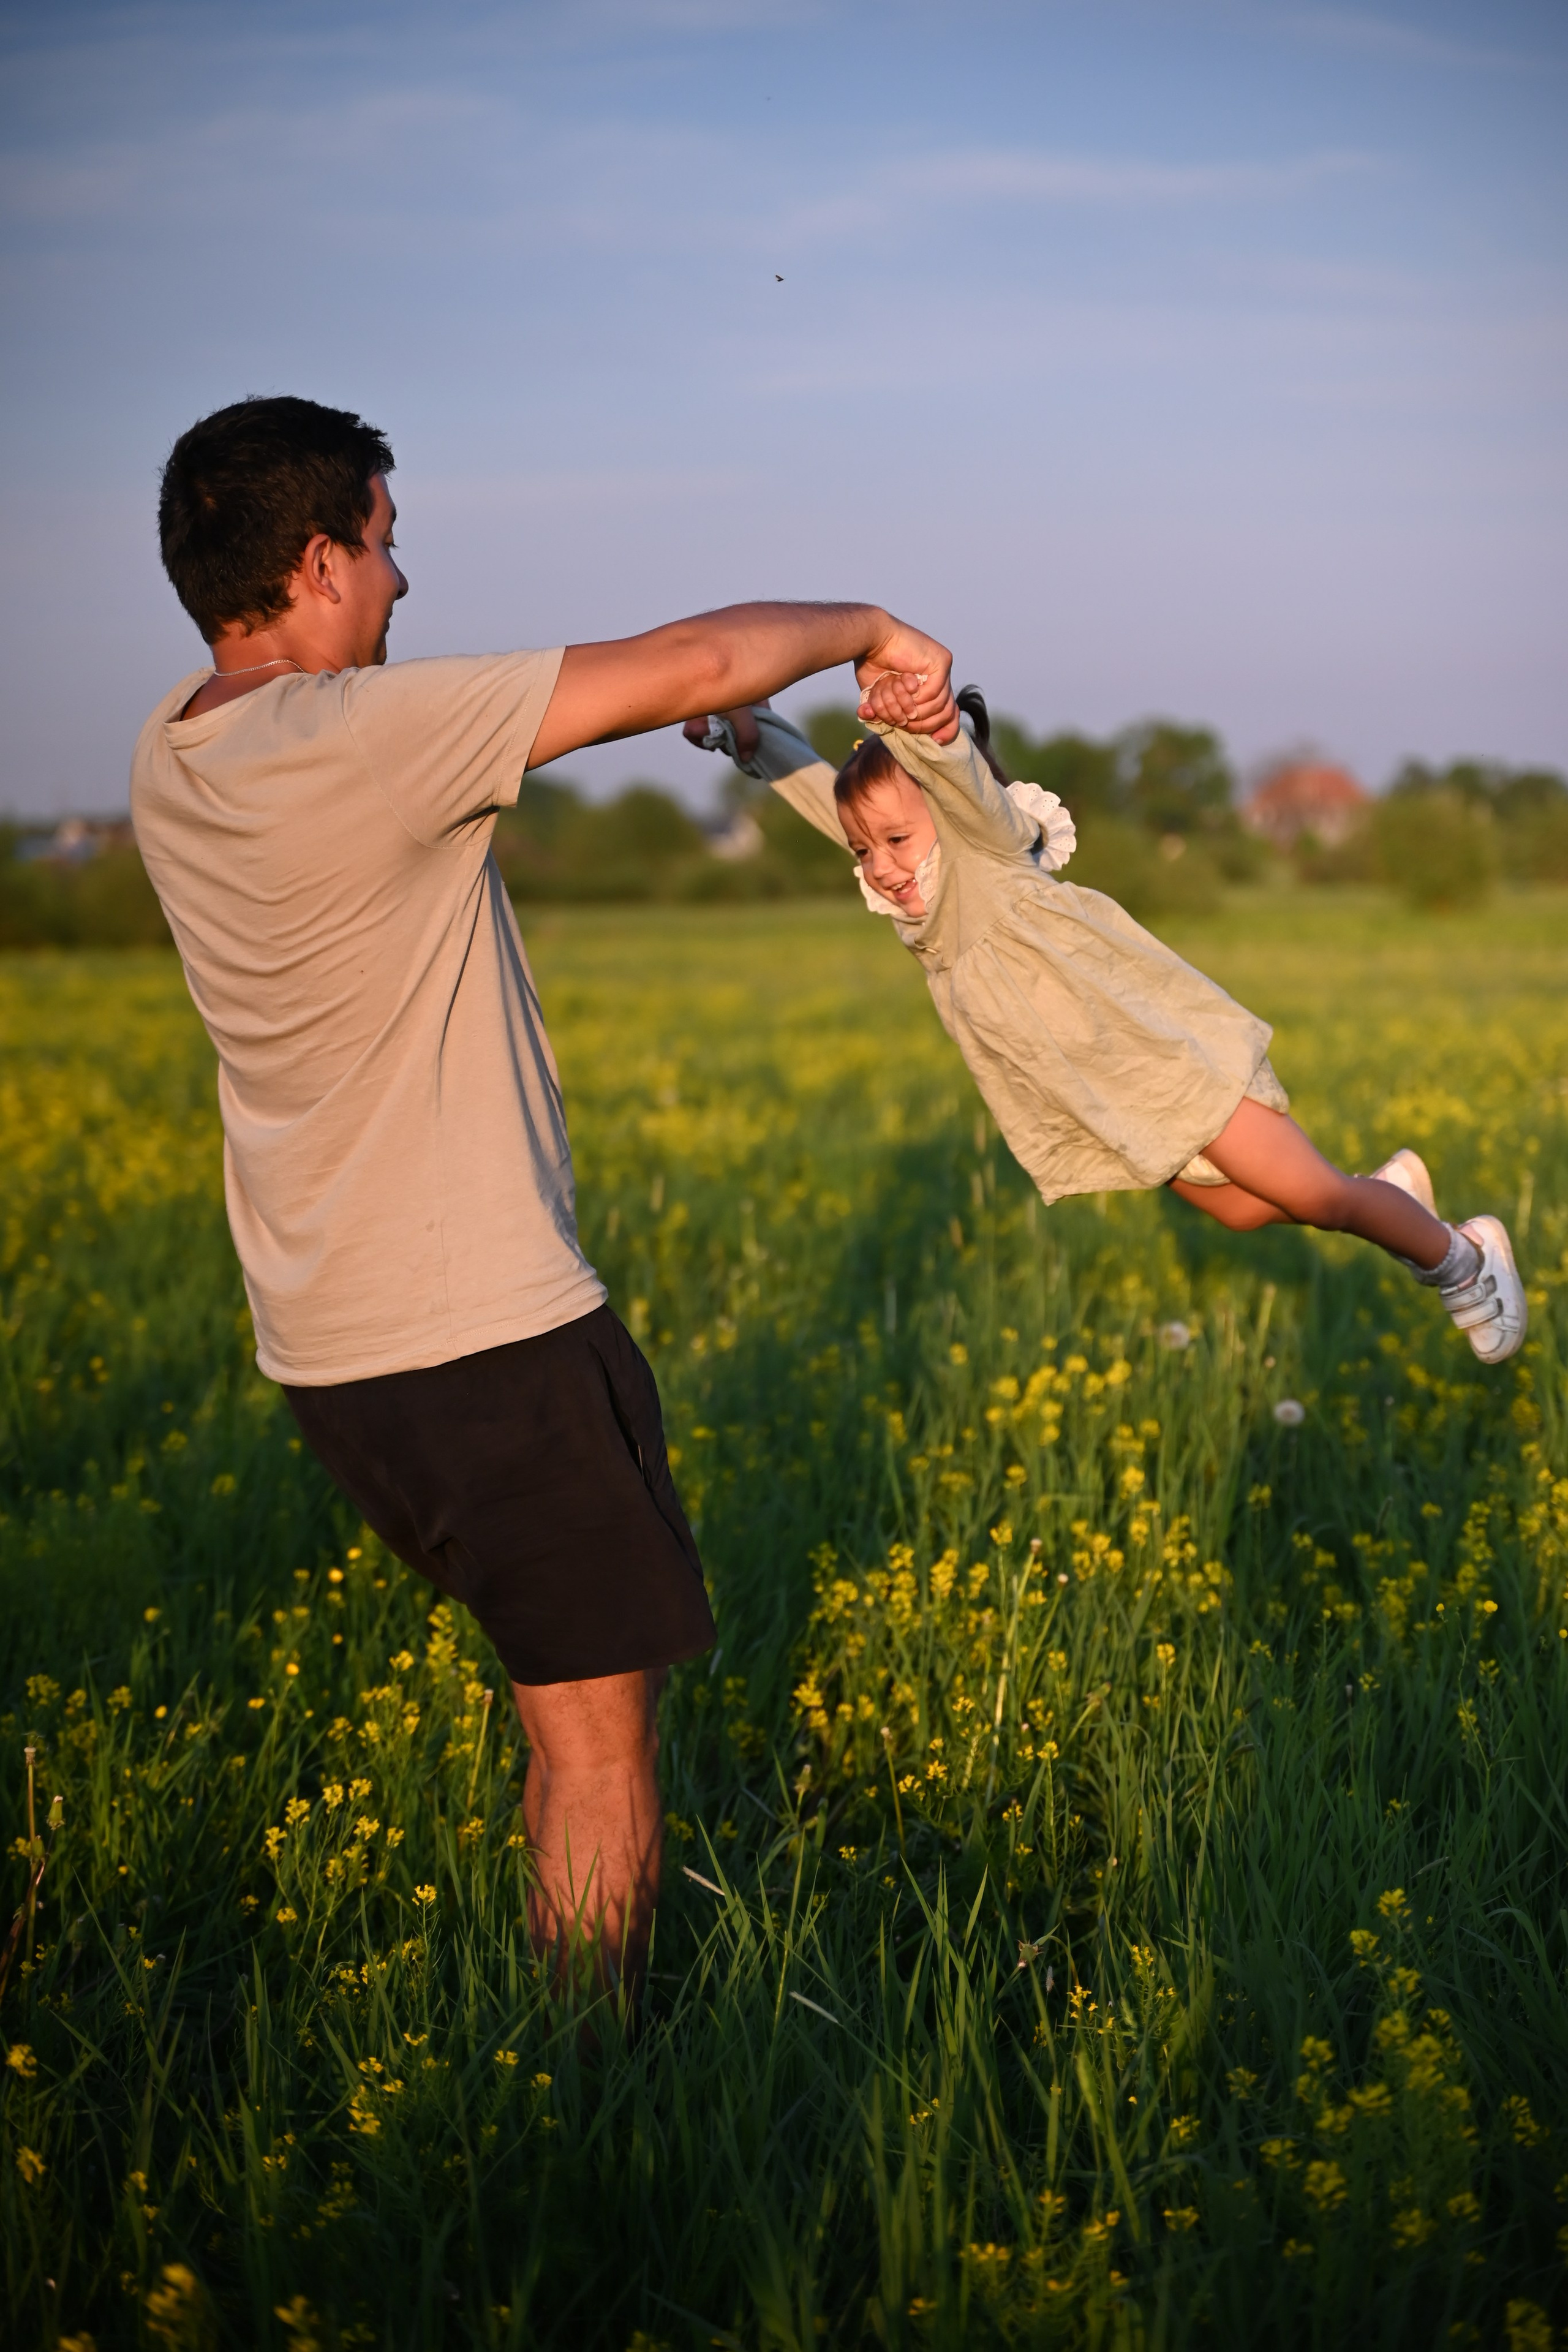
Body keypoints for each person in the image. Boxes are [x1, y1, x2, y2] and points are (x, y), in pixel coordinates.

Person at [130, 393, 957, 1998]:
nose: (401, 584)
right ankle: (594, 2104)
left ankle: (567, 2058)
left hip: (330, 1351)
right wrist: (871, 622)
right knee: (595, 1749)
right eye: (383, 546)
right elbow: (692, 665)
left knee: (554, 1710)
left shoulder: (174, 752)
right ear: (314, 562)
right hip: (480, 1342)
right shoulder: (351, 737)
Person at [684, 692, 1526, 1364]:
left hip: (1163, 1061)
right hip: (1113, 1094)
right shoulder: (924, 905)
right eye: (866, 852)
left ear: (951, 810)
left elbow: (947, 781)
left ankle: (1459, 1256)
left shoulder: (981, 852)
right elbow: (825, 799)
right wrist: (756, 740)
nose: (882, 867)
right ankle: (1391, 1197)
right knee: (1241, 1213)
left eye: (897, 839)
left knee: (1314, 1195)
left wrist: (916, 712)